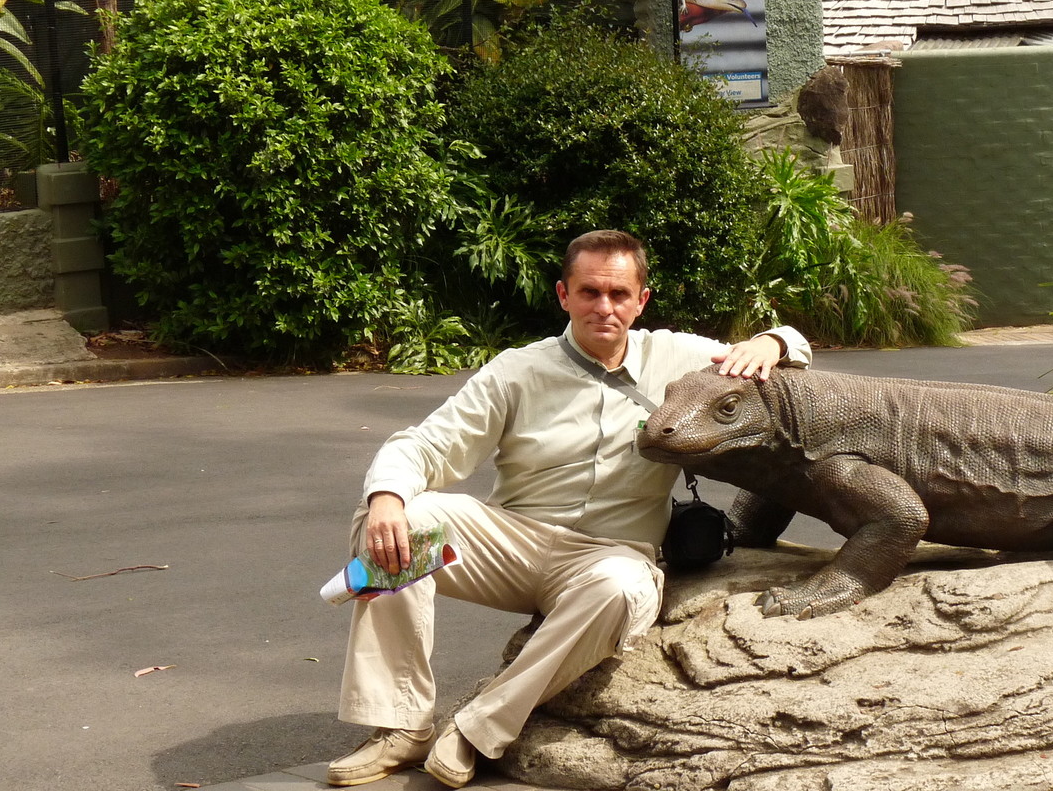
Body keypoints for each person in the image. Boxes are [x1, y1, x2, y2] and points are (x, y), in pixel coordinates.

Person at [328, 229, 810, 788]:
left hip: (607, 558)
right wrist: (387, 495)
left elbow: (796, 350)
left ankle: (476, 730)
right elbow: (427, 445)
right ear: (563, 295)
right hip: (510, 547)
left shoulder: (680, 358)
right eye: (589, 292)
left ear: (641, 300)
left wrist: (770, 342)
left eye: (618, 295)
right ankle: (401, 726)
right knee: (399, 523)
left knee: (624, 589)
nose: (604, 307)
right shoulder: (518, 371)